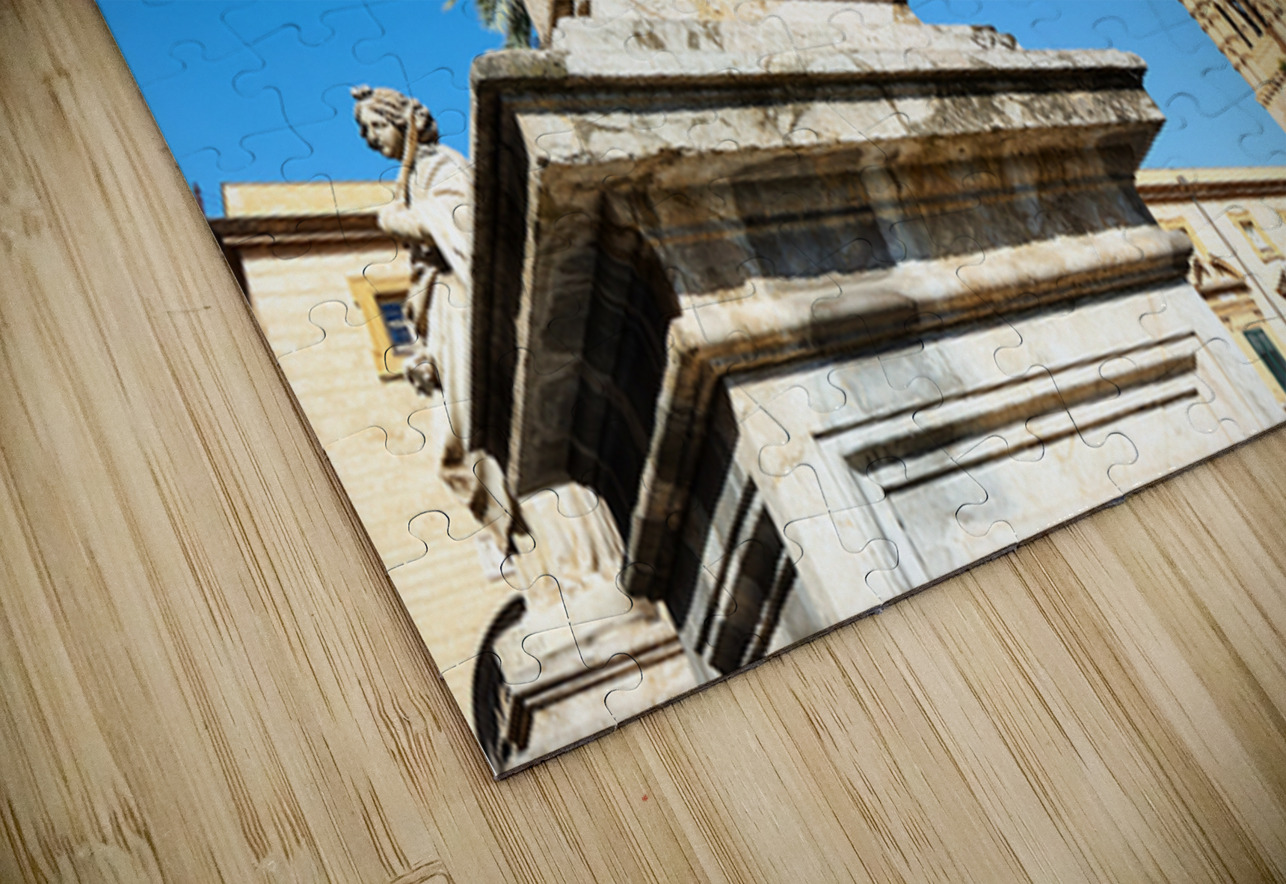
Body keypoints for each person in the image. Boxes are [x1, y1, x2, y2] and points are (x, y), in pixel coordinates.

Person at [353, 85, 529, 550]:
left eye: (375, 126)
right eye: (365, 133)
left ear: (400, 121)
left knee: (471, 438)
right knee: (455, 453)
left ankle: (527, 523)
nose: (371, 138)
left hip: (459, 301)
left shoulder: (439, 164)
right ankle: (519, 532)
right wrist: (422, 350)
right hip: (440, 315)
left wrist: (396, 220)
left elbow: (462, 223)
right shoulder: (414, 178)